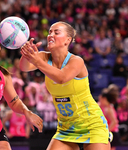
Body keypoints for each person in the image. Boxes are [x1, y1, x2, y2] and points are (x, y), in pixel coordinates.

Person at [19, 21, 111, 150]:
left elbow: (62, 78)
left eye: (56, 32)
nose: (51, 35)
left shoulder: (76, 61)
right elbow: (23, 67)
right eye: (50, 32)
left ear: (68, 40)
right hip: (66, 128)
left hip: (92, 125)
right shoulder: (44, 58)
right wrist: (26, 54)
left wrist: (36, 60)